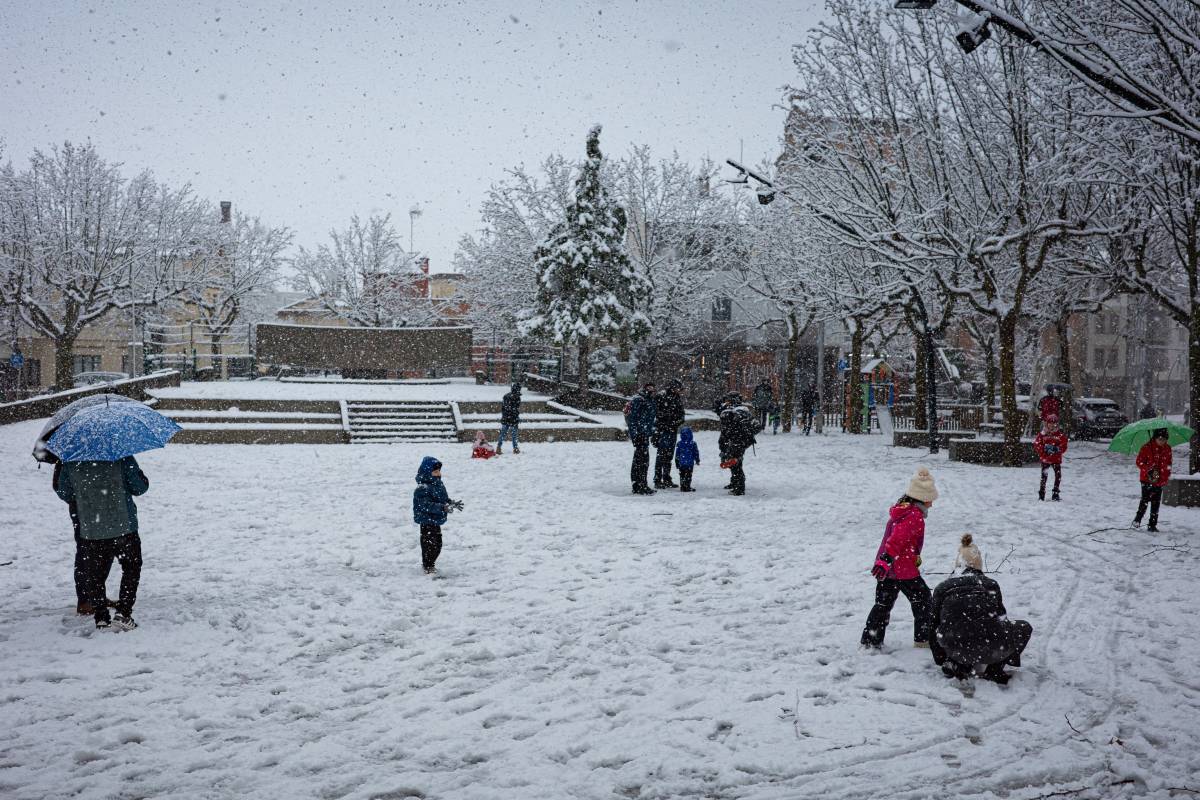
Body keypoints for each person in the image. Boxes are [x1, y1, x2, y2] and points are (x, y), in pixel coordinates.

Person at [52, 456, 149, 630]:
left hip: (91, 528)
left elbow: (64, 492)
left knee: (94, 573)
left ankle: (101, 617)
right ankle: (123, 613)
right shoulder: (121, 456)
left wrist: (86, 493)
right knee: (131, 567)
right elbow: (139, 487)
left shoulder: (71, 459)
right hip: (123, 525)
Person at [930, 537, 1033, 685]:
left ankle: (957, 664)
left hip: (955, 647)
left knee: (952, 628)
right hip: (991, 647)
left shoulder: (943, 587)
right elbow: (1001, 618)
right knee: (1024, 627)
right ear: (979, 565)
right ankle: (995, 669)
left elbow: (933, 624)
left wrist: (941, 659)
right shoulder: (990, 584)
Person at [860, 468, 937, 650]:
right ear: (922, 498)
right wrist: (887, 558)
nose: (932, 504)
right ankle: (923, 638)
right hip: (902, 569)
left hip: (889, 569)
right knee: (924, 600)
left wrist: (884, 560)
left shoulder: (903, 510)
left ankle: (871, 639)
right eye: (930, 500)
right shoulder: (914, 516)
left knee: (883, 603)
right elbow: (897, 539)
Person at [412, 456, 461, 574]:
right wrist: (442, 508)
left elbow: (442, 498)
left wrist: (450, 503)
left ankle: (430, 563)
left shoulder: (438, 484)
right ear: (427, 472)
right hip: (426, 520)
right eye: (435, 471)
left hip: (435, 519)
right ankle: (428, 565)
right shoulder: (422, 488)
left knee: (438, 544)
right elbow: (425, 505)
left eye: (439, 471)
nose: (438, 473)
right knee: (429, 544)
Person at [1133, 427, 1172, 532]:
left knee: (1156, 503)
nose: (1162, 442)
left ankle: (1152, 525)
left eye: (1164, 439)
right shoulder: (1146, 447)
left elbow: (1169, 464)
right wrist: (1148, 468)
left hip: (1159, 481)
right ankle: (1138, 519)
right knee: (1145, 500)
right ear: (1155, 438)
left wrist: (1165, 476)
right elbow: (1139, 462)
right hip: (1146, 479)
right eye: (1160, 439)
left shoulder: (1167, 448)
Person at [718, 393, 758, 496]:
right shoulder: (744, 410)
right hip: (742, 441)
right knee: (736, 462)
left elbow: (726, 431)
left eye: (728, 400)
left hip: (735, 441)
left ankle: (739, 488)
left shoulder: (732, 412)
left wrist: (724, 445)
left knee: (735, 464)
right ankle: (735, 483)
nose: (726, 402)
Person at [653, 379, 686, 488]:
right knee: (661, 454)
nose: (679, 391)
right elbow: (657, 413)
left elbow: (681, 414)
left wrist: (676, 422)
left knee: (668, 455)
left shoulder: (676, 398)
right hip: (663, 430)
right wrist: (667, 422)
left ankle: (666, 477)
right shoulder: (661, 397)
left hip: (671, 430)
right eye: (677, 389)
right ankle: (658, 479)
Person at [626, 382, 657, 495]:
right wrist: (635, 435)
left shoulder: (649, 400)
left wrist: (652, 432)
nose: (651, 390)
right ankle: (638, 485)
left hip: (644, 434)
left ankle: (641, 484)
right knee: (640, 461)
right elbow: (632, 419)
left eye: (652, 388)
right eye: (649, 388)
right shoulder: (639, 400)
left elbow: (651, 419)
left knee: (644, 461)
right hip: (640, 435)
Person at [1033, 414, 1068, 501]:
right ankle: (1041, 494)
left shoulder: (1059, 434)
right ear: (1047, 423)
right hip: (1046, 459)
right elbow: (1037, 444)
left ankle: (1055, 493)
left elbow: (1064, 446)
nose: (1052, 425)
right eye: (1050, 423)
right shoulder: (1042, 434)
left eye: (1054, 423)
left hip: (1056, 459)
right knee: (1044, 476)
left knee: (1058, 476)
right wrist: (1044, 451)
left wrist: (1057, 449)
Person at [674, 426, 700, 492]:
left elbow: (677, 454)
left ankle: (682, 486)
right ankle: (687, 486)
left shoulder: (679, 443)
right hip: (689, 463)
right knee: (688, 475)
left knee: (682, 475)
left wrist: (677, 462)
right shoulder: (693, 443)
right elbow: (695, 452)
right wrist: (697, 460)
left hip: (681, 463)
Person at [497, 383, 521, 454]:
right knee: (513, 435)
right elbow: (514, 408)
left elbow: (505, 408)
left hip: (507, 418)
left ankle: (499, 447)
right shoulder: (514, 397)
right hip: (511, 418)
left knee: (504, 434)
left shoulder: (507, 396)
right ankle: (515, 448)